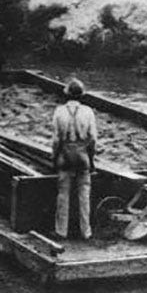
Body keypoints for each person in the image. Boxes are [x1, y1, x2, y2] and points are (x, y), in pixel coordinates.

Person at [51, 78, 97, 240]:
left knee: (63, 194)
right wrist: (91, 161)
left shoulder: (59, 111)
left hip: (65, 157)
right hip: (83, 157)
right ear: (81, 95)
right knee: (84, 195)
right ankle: (86, 231)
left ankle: (61, 231)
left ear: (66, 95)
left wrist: (54, 158)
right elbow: (92, 140)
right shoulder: (88, 112)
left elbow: (56, 140)